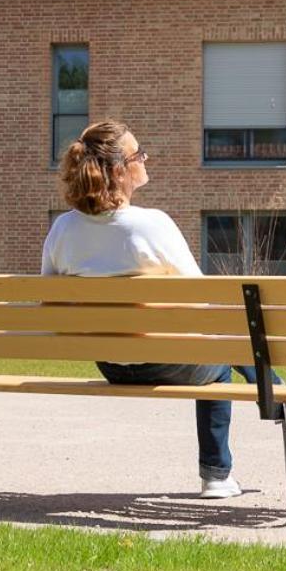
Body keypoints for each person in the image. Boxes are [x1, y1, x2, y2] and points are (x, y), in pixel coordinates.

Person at [41, 120, 264, 499]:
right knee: (221, 356)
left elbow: (49, 303)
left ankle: (269, 384)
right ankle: (217, 474)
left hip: (110, 363)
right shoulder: (152, 224)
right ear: (118, 171)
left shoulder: (63, 229)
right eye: (137, 154)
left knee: (223, 344)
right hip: (163, 361)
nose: (145, 158)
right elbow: (202, 299)